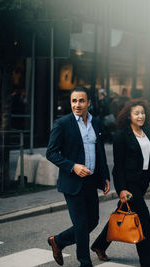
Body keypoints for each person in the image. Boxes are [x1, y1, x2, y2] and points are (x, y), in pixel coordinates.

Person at [46, 86, 110, 267]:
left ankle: (57, 241)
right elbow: (51, 153)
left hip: (91, 180)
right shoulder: (62, 123)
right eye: (74, 101)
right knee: (81, 224)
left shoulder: (96, 123)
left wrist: (104, 176)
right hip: (73, 182)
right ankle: (84, 262)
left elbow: (100, 151)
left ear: (88, 102)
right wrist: (72, 166)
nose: (77, 104)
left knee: (92, 222)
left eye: (81, 100)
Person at [91, 98, 150, 267]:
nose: (140, 116)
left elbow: (148, 154)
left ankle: (99, 245)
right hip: (129, 184)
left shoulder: (145, 131)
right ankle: (148, 262)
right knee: (143, 220)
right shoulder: (121, 135)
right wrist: (121, 189)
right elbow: (118, 166)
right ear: (129, 116)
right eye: (136, 113)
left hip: (142, 182)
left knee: (122, 213)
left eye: (142, 113)